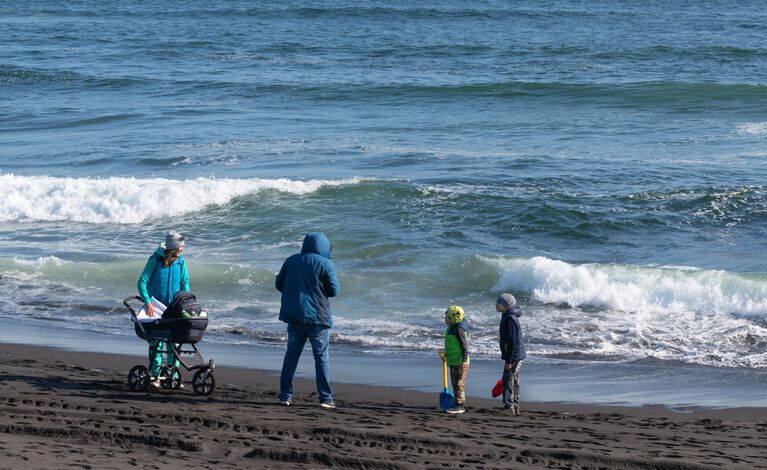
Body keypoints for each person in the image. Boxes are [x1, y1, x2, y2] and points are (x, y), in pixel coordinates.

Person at [276, 232, 340, 409]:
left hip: (295, 316)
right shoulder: (326, 263)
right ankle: (325, 398)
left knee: (291, 356)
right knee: (321, 358)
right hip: (318, 318)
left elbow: (279, 284)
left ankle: (285, 396)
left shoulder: (291, 260)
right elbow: (334, 290)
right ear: (325, 247)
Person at [137, 230, 190, 387]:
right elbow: (142, 282)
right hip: (156, 309)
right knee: (157, 343)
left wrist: (184, 301)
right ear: (174, 247)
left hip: (174, 309)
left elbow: (184, 283)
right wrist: (147, 302)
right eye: (181, 246)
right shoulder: (155, 260)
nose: (183, 248)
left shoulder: (181, 262)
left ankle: (173, 375)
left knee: (175, 343)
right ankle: (154, 376)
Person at [496, 293, 526, 415]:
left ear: (505, 306)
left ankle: (510, 407)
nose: (496, 305)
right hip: (514, 355)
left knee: (508, 380)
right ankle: (514, 405)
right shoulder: (506, 315)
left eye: (498, 303)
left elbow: (513, 341)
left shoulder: (510, 319)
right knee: (513, 379)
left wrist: (509, 361)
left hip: (514, 355)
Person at [443, 305, 470, 414]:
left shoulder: (458, 329)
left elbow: (464, 346)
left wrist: (464, 360)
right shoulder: (452, 326)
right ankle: (456, 403)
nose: (445, 318)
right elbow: (452, 344)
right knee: (455, 383)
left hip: (460, 362)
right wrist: (446, 354)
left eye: (448, 317)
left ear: (454, 319)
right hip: (453, 360)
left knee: (459, 384)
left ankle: (460, 406)